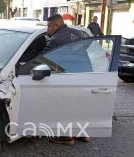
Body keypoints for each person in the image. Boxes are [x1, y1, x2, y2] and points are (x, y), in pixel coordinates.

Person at [45, 14, 89, 145]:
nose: (47, 29)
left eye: (48, 26)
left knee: (64, 105)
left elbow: (42, 59)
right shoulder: (78, 33)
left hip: (67, 76)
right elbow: (86, 46)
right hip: (86, 74)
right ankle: (82, 133)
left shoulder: (55, 40)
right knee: (79, 105)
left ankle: (65, 137)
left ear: (57, 25)